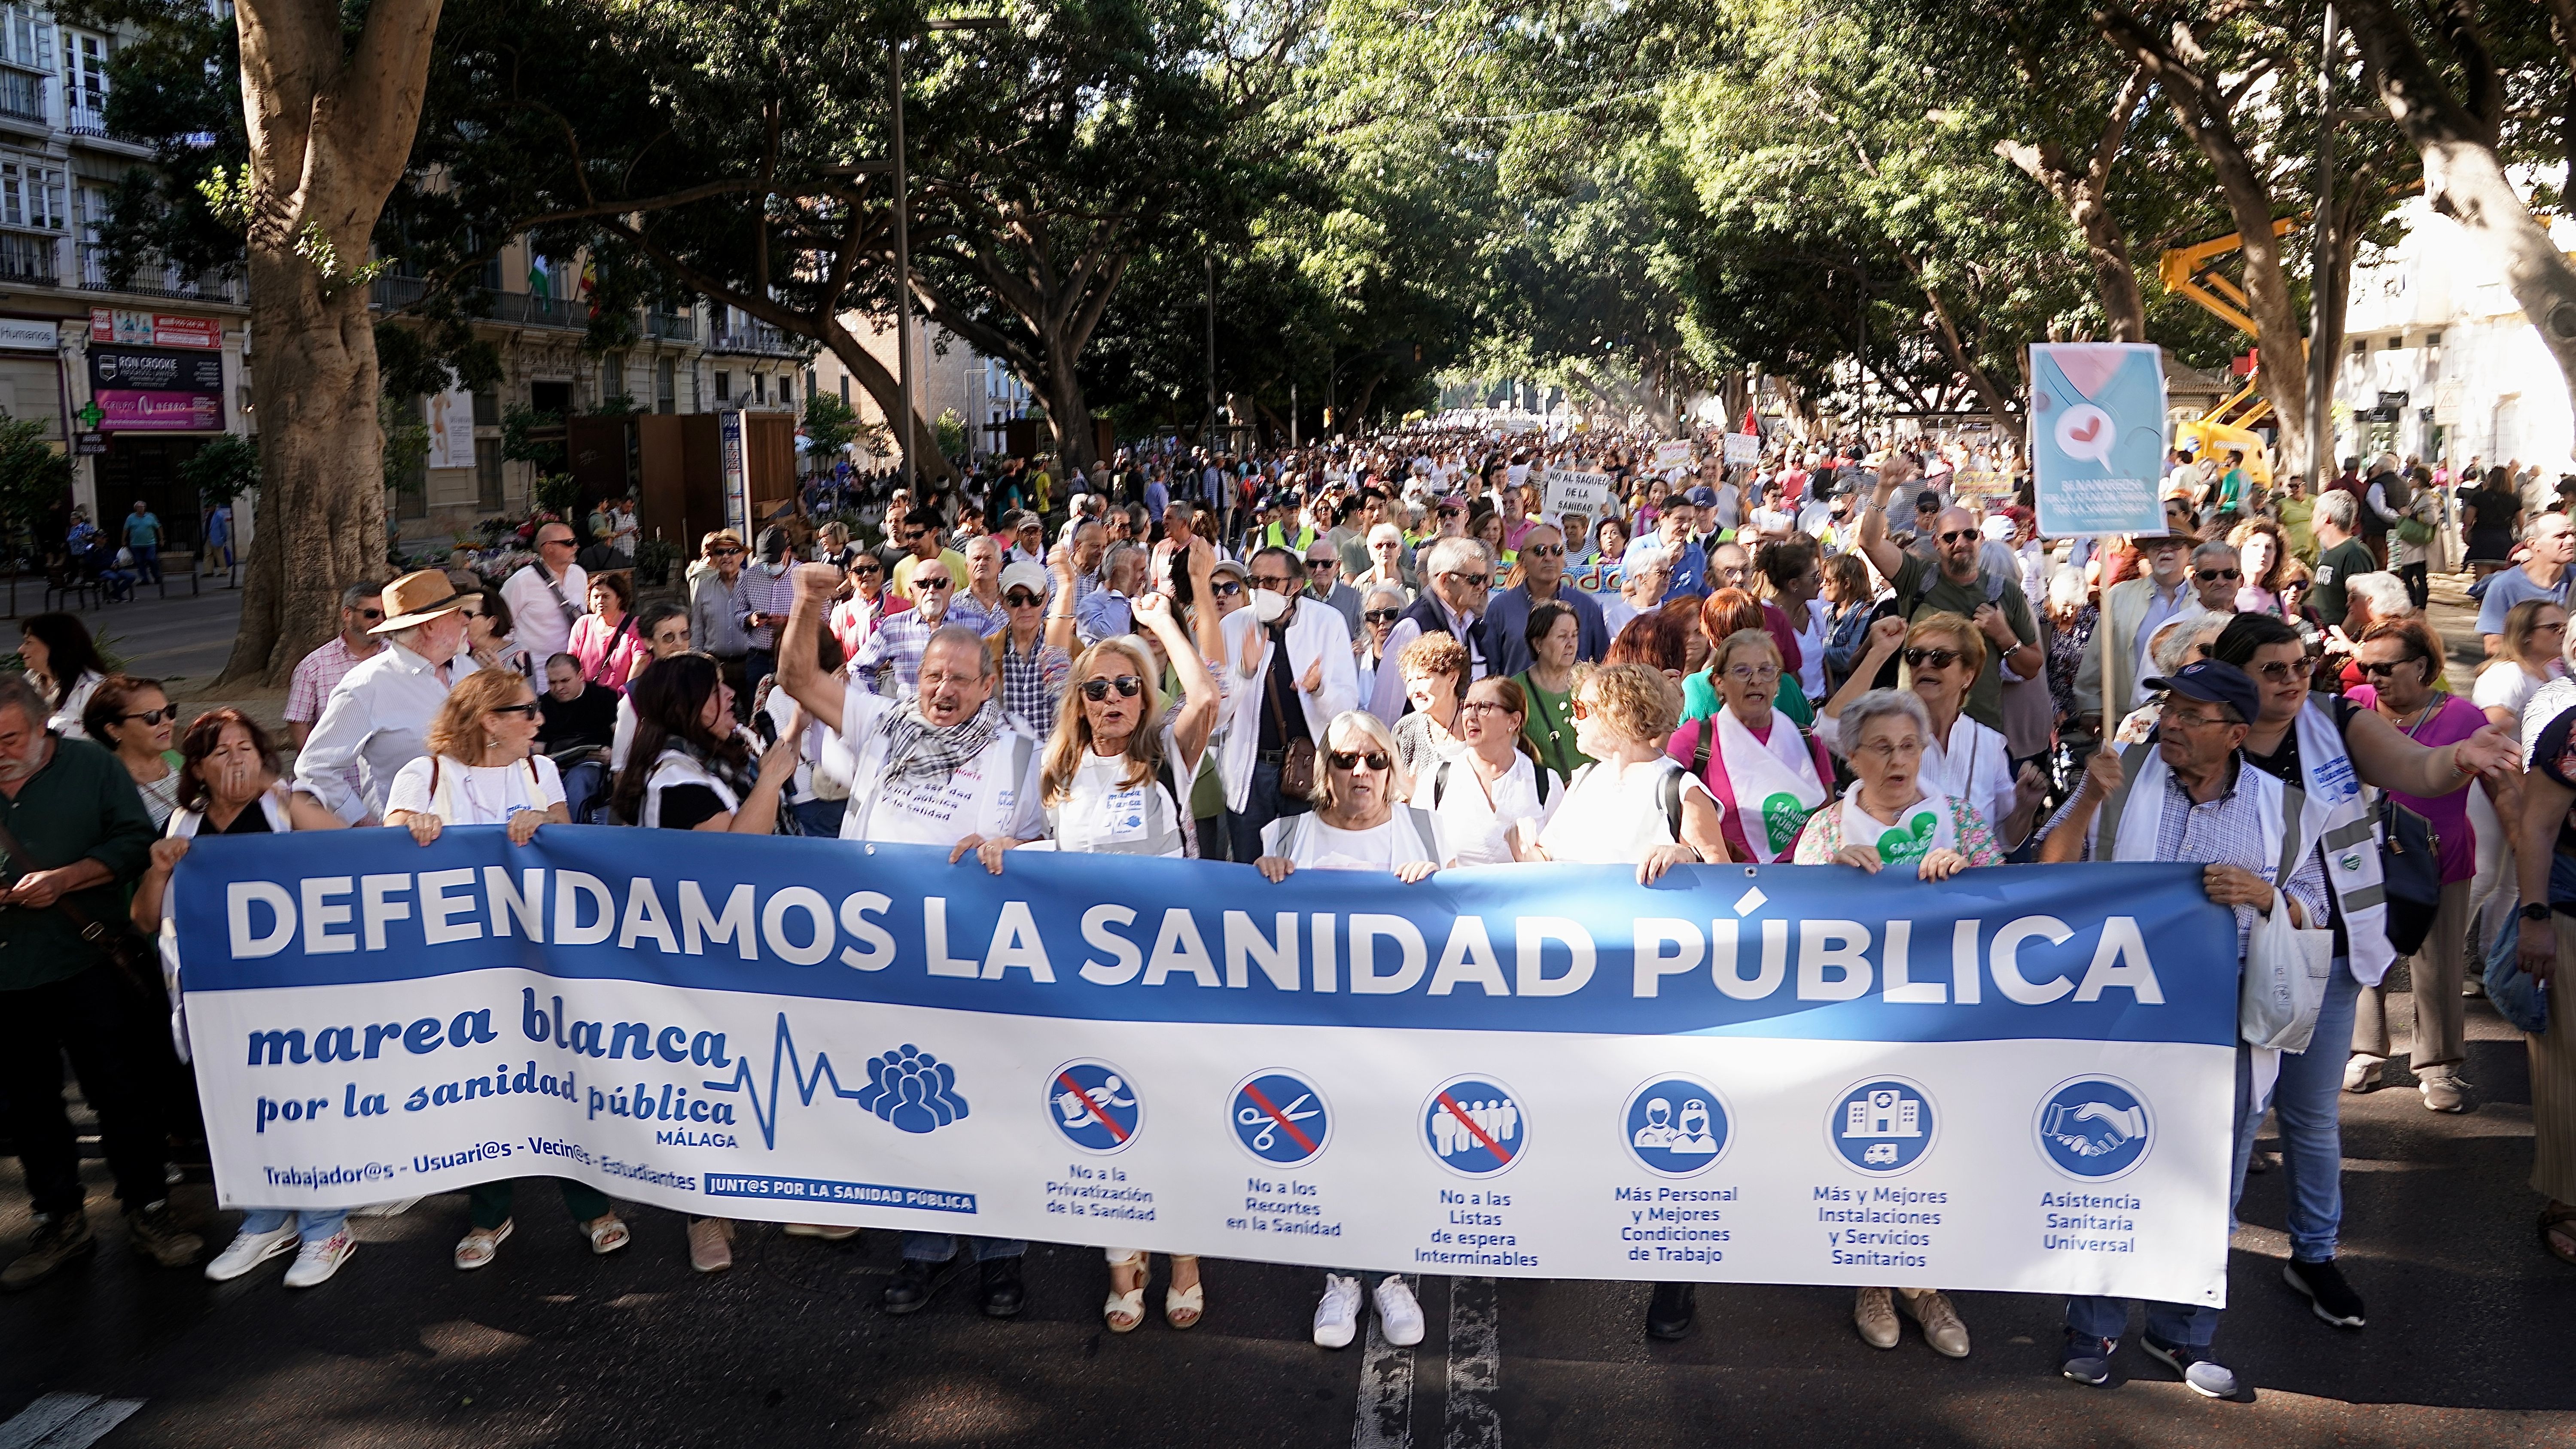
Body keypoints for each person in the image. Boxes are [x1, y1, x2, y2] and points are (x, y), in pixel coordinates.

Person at [2206, 610, 2516, 1330]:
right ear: (2233, 676)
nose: (2291, 681)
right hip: (2226, 952)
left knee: (2311, 1115)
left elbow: (2416, 768)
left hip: (2329, 946)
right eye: (2271, 669)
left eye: (2298, 664)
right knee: (2233, 1112)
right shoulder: (2195, 731)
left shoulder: (2336, 720)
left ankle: (2313, 1254)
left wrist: (2460, 757)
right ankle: (2205, 1251)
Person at [2037, 658, 2328, 1396]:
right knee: (2106, 1158)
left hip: (2226, 1012)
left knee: (2207, 1177)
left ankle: (2181, 1332)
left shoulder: (2285, 808)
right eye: (2168, 708)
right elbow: (2050, 863)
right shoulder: (2121, 775)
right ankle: (2091, 1322)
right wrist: (2084, 802)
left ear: (2234, 732)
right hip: (2123, 1004)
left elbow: (2316, 912)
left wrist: (2263, 894)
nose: (2169, 722)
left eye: (2191, 715)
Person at [772, 561, 1044, 1316]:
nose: (943, 688)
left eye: (960, 677)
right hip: (888, 956)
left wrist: (1009, 852)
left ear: (988, 684)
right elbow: (797, 676)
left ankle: (1000, 1256)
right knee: (915, 1103)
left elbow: (1054, 848)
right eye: (932, 673)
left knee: (989, 1105)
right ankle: (924, 1250)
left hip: (980, 961)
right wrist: (807, 601)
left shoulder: (1021, 750)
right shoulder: (884, 720)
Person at [952, 592, 1219, 1331]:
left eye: (1126, 685)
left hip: (1170, 973)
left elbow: (1205, 695)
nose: (1112, 698)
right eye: (1096, 687)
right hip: (1091, 983)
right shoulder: (1058, 765)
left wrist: (1162, 620)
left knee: (1172, 1119)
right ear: (1079, 700)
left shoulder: (1168, 751)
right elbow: (1058, 856)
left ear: (1144, 695)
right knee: (1110, 1119)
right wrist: (1003, 847)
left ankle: (1186, 1259)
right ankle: (1122, 1263)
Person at [1791, 688, 1994, 1358]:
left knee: (1934, 1151)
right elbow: (1786, 932)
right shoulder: (1826, 829)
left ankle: (1924, 1283)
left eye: (1909, 744)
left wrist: (1964, 878)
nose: (1898, 758)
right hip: (1854, 1028)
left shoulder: (1959, 821)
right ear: (1852, 756)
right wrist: (1829, 877)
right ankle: (1872, 1281)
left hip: (1943, 1023)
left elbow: (2015, 911)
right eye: (1881, 746)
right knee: (1867, 1149)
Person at [132, 709, 351, 1288]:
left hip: (295, 994)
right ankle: (265, 1218)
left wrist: (286, 796)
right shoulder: (182, 825)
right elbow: (146, 919)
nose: (238, 758)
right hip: (220, 1003)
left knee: (303, 1109)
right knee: (240, 1114)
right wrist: (156, 874)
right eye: (222, 751)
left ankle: (327, 1225)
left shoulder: (284, 808)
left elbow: (355, 858)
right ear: (198, 767)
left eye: (246, 747)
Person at [0, 673, 201, 1289]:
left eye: (9, 737)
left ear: (42, 729)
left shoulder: (90, 766)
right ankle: (59, 1219)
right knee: (29, 1104)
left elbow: (136, 841)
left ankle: (149, 1209)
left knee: (120, 1091)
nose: (0, 750)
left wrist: (65, 878)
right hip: (8, 974)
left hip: (87, 958)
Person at [1251, 709, 1440, 1354]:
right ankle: (1339, 1277)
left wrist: (1441, 891)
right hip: (1313, 1038)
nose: (1360, 771)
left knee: (1392, 1155)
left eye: (1375, 760)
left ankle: (1389, 1276)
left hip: (1403, 1040)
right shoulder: (1285, 833)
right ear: (1324, 771)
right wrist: (1263, 880)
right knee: (1327, 1152)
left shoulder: (1427, 833)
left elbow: (1493, 910)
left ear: (1392, 770)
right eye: (1345, 759)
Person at [612, 655, 801, 1267]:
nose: (730, 697)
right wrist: (770, 780)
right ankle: (703, 1214)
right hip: (698, 958)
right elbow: (735, 855)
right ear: (687, 707)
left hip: (734, 949)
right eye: (718, 690)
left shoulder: (707, 757)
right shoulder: (674, 779)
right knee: (706, 1081)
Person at [2344, 618, 2489, 1111]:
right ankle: (2365, 1050)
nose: (2373, 677)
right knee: (2364, 954)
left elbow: (2503, 792)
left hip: (2440, 857)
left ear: (2422, 666)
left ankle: (2439, 1067)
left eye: (2385, 667)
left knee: (2438, 962)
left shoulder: (2464, 716)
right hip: (2359, 856)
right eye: (2366, 666)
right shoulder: (2355, 706)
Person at [1857, 459, 2042, 732]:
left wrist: (2004, 636)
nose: (1961, 543)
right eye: (1950, 537)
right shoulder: (1917, 577)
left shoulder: (2007, 592)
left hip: (1980, 732)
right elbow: (1869, 542)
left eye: (1969, 535)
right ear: (1936, 542)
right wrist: (1883, 489)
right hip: (1917, 730)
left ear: (1980, 538)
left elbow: (2032, 667)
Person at [293, 570, 480, 825]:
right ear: (430, 625)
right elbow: (315, 768)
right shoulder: (367, 685)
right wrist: (365, 823)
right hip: (409, 843)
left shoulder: (467, 669)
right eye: (457, 613)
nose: (466, 621)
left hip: (477, 829)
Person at [1215, 543, 1359, 863]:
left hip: (1308, 772)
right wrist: (1244, 672)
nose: (1259, 590)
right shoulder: (1232, 627)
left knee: (1303, 870)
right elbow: (1215, 715)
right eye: (1254, 582)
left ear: (1295, 586)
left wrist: (1319, 688)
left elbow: (1347, 708)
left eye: (1270, 582)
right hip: (1250, 773)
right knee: (1249, 869)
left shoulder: (1328, 622)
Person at [1664, 629, 1830, 864]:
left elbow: (1827, 824)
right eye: (1742, 671)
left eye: (1766, 670)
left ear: (1778, 682)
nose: (1756, 680)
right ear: (1719, 683)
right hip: (1726, 883)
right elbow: (1657, 799)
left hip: (1798, 883)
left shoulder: (1807, 741)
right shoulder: (1694, 740)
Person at [2512, 670, 2576, 1267]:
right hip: (2571, 910)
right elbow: (2536, 825)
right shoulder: (2572, 729)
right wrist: (2534, 918)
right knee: (2568, 1061)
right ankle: (2567, 1197)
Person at [2074, 495, 2201, 730]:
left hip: (2187, 719)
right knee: (2131, 767)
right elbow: (2096, 655)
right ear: (2148, 555)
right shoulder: (2120, 595)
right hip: (2130, 719)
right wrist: (2091, 707)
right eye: (2156, 545)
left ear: (2189, 553)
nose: (2166, 550)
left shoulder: (2201, 603)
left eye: (2174, 544)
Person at [1417, 675, 1552, 865]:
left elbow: (1561, 862)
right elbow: (1415, 850)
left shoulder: (1545, 783)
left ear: (1513, 721)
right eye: (1467, 706)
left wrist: (1528, 855)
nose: (1471, 716)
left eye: (1483, 707)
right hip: (1454, 895)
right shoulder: (1436, 780)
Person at [1367, 537, 1493, 722]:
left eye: (1484, 579)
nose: (1482, 587)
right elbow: (1384, 712)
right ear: (1445, 580)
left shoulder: (1471, 622)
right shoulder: (1412, 627)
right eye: (1474, 579)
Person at [1483, 521, 1610, 678]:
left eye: (1557, 551)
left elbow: (1603, 668)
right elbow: (1489, 672)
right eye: (1540, 551)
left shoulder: (1588, 608)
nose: (1549, 558)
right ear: (1523, 559)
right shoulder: (1500, 609)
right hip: (1517, 700)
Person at [285, 583, 388, 758]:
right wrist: (316, 767)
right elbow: (298, 721)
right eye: (371, 614)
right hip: (341, 776)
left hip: (390, 776)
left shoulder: (400, 658)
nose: (380, 621)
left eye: (385, 614)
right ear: (347, 615)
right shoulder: (313, 667)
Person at [82, 675, 183, 828]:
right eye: (152, 717)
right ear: (115, 730)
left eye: (169, 711)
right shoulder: (109, 786)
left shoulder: (174, 759)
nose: (167, 722)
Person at [1513, 600, 1591, 783]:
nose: (1571, 644)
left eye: (1575, 635)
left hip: (1590, 795)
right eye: (1563, 636)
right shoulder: (1516, 690)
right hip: (1541, 798)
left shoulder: (1591, 684)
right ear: (1538, 643)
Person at [2478, 512, 2575, 656]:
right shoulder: (2504, 585)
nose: (2571, 540)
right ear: (2533, 544)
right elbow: (2494, 646)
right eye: (2561, 536)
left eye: (2573, 534)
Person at [992, 557, 1073, 729]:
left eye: (1034, 599)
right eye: (1016, 600)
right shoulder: (986, 654)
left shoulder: (1073, 650)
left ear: (1046, 600)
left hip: (1056, 753)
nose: (1026, 607)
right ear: (1002, 602)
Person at [537, 652, 619, 822]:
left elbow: (620, 736)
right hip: (554, 767)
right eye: (553, 683)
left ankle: (571, 833)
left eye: (565, 681)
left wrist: (614, 754)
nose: (558, 688)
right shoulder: (544, 705)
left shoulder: (604, 698)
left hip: (594, 767)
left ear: (581, 676)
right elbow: (537, 750)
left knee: (578, 780)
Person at [501, 520, 589, 665]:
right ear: (549, 548)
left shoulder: (580, 575)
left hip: (573, 666)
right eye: (569, 543)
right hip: (536, 669)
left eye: (576, 541)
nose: (576, 547)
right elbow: (502, 626)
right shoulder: (521, 581)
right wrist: (518, 660)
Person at [18, 612, 107, 740]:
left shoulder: (93, 690)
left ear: (54, 646)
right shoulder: (32, 680)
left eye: (29, 642)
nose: (21, 650)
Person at [1391, 632, 1469, 776]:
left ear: (1452, 679)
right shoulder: (1405, 730)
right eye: (1409, 681)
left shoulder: (1477, 723)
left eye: (1422, 678)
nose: (1414, 690)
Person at [737, 526, 800, 697]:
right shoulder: (750, 576)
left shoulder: (804, 576)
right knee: (757, 712)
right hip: (759, 658)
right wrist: (751, 619)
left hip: (793, 657)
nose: (770, 567)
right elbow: (738, 614)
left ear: (788, 552)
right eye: (766, 562)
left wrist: (788, 622)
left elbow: (822, 619)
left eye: (774, 561)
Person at [690, 530, 753, 700]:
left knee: (755, 718)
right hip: (716, 667)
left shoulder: (754, 584)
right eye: (720, 552)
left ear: (742, 556)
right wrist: (697, 664)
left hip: (749, 664)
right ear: (714, 558)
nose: (726, 556)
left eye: (733, 551)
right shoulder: (704, 587)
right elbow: (697, 628)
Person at [2308, 490, 2376, 635]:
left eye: (2314, 514)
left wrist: (2339, 642)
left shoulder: (2354, 554)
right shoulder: (2328, 553)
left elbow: (2361, 609)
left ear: (2326, 518)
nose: (2311, 519)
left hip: (2342, 645)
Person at [463, 587, 534, 680]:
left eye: (468, 615)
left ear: (492, 623)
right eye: (458, 615)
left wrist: (499, 675)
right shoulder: (460, 656)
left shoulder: (519, 657)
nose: (462, 620)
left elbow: (528, 693)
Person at [2230, 520, 2291, 616]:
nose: (2263, 552)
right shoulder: (2228, 591)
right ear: (2239, 550)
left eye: (2269, 547)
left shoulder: (2277, 597)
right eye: (2255, 546)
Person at [1304, 539, 1364, 634]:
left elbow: (1366, 634)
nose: (1319, 570)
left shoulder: (1355, 599)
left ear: (1338, 567)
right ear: (1306, 567)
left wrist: (1362, 642)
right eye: (1313, 564)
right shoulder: (1299, 600)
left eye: (1327, 564)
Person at [2189, 542, 2242, 614]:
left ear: (2241, 580)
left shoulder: (2256, 623)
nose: (2221, 582)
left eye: (2230, 574)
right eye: (2209, 575)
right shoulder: (2178, 624)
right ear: (2195, 581)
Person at [123, 499, 163, 584]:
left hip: (150, 543)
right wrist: (123, 540)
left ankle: (157, 576)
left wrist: (162, 539)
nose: (141, 509)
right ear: (136, 509)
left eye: (143, 507)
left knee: (151, 559)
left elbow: (158, 527)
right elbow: (126, 529)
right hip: (136, 544)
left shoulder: (151, 517)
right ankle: (145, 579)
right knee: (140, 562)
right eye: (139, 507)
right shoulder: (131, 518)